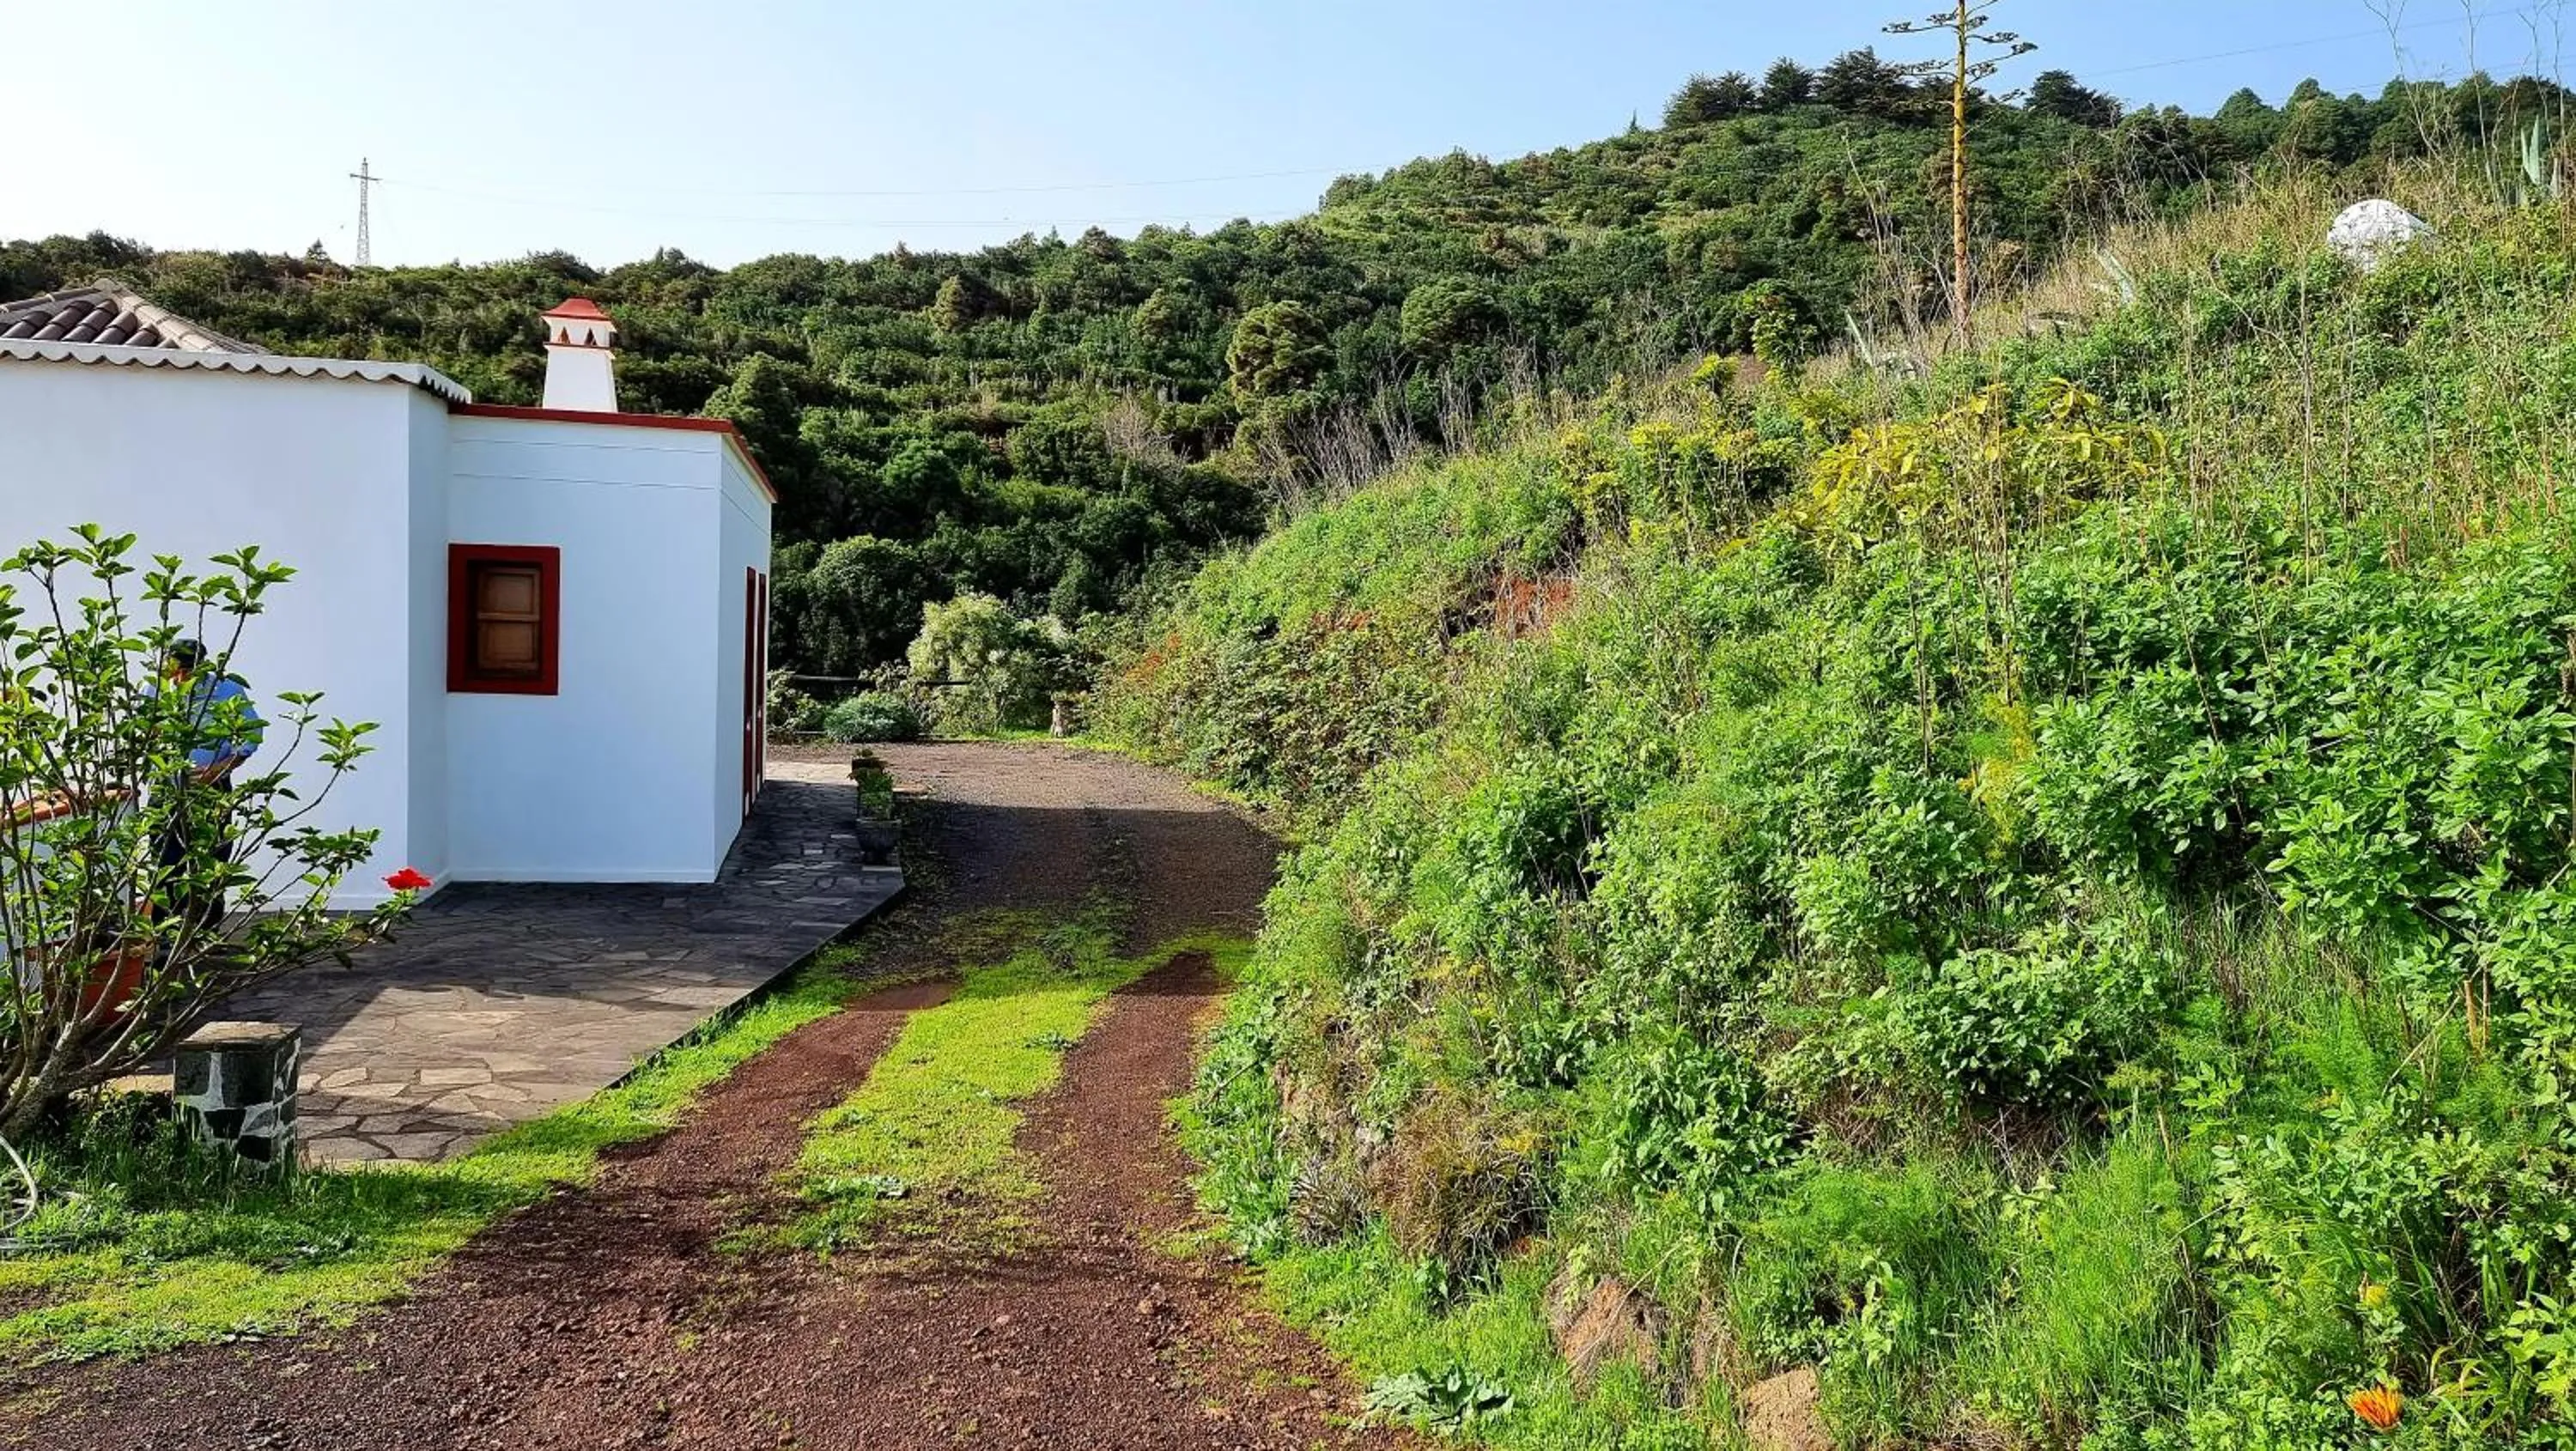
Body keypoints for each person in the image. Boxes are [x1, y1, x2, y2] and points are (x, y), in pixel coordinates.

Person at [155, 639, 263, 938]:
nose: (182, 677)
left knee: (213, 860)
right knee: (165, 863)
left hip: (211, 788)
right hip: (166, 789)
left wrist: (216, 770)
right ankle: (165, 936)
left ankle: (206, 933)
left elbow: (249, 740)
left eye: (189, 670)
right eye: (177, 669)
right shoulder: (154, 690)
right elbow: (142, 732)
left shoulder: (227, 690)